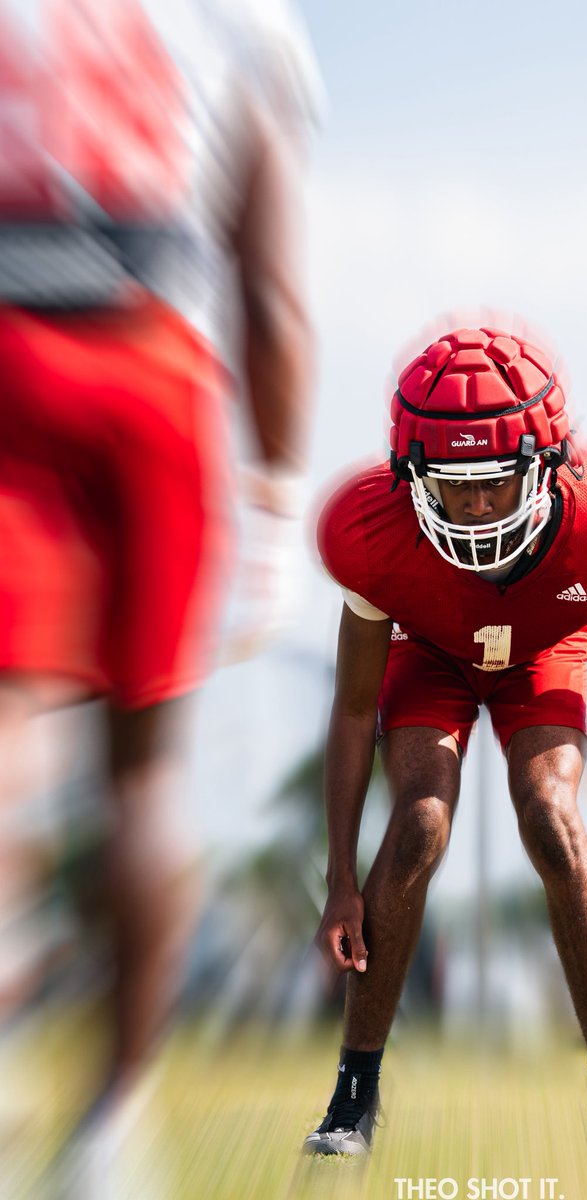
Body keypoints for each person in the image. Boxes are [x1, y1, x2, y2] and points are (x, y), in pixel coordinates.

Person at [0, 0, 320, 1191]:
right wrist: (280, 512)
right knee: (144, 778)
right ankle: (111, 1130)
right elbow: (273, 293)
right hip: (153, 362)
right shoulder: (240, 16)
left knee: (7, 717)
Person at [306, 325, 587, 1158]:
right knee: (420, 820)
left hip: (544, 650)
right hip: (427, 650)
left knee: (551, 813)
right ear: (412, 475)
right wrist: (338, 881)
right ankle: (352, 1100)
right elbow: (355, 708)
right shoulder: (373, 535)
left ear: (545, 466)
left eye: (495, 482)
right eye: (452, 484)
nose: (473, 505)